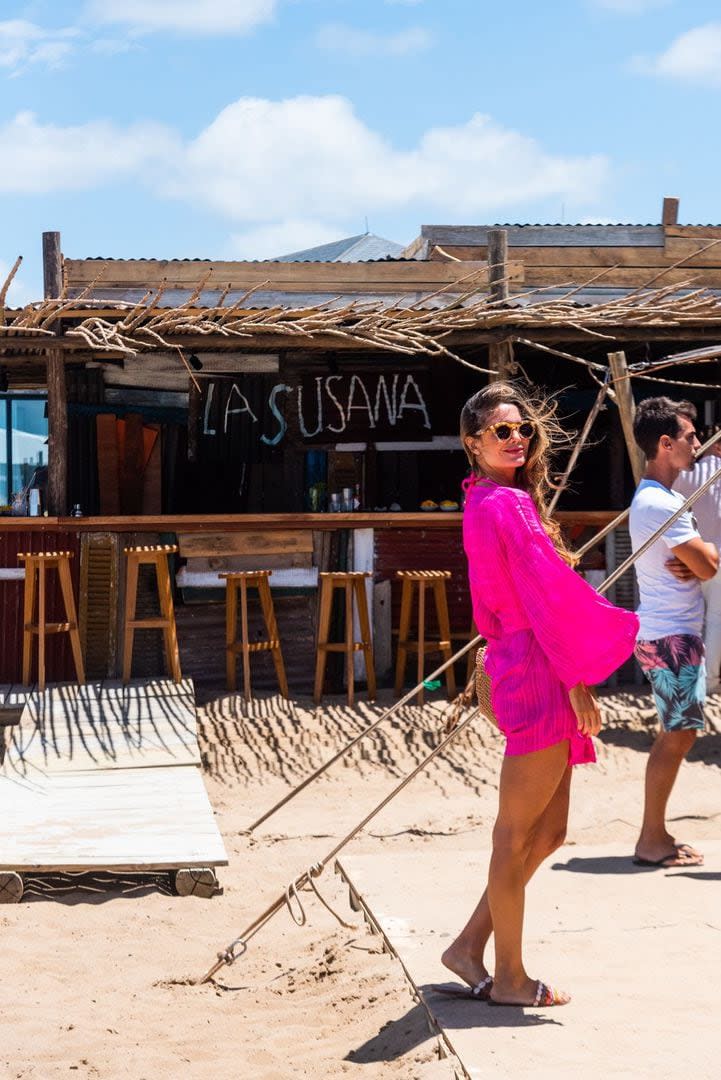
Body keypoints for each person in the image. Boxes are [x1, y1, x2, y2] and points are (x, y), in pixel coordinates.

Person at [441, 382, 638, 1008]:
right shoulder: (506, 506)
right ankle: (510, 978)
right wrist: (577, 678)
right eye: (502, 431)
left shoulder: (491, 500)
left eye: (522, 428)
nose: (517, 438)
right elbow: (543, 596)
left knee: (548, 831)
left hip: (529, 658)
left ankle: (469, 946)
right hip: (536, 665)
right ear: (473, 442)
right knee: (514, 834)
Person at [629, 398, 719, 869]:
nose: (697, 444)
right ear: (666, 444)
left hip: (671, 633)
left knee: (677, 733)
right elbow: (707, 564)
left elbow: (700, 563)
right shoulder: (659, 503)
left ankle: (654, 834)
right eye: (689, 437)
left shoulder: (660, 499)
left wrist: (700, 556)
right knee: (678, 735)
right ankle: (651, 838)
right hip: (671, 637)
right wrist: (703, 555)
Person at [673, 436, 721, 693]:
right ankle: (710, 683)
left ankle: (686, 680)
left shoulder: (685, 475)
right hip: (718, 554)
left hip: (688, 553)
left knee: (689, 619)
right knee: (715, 620)